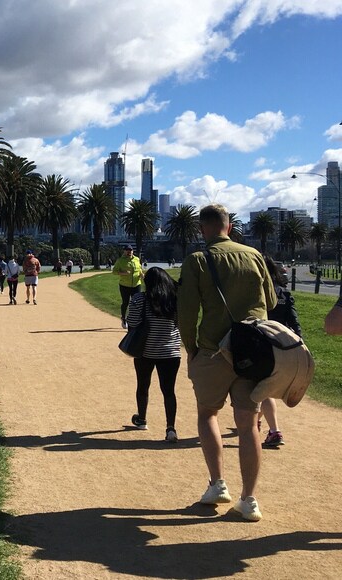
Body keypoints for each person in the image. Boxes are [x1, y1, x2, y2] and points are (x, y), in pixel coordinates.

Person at [178, 204, 277, 522]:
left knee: (208, 414)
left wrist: (191, 348)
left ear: (202, 229)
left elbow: (188, 311)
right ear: (229, 226)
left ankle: (217, 484)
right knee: (248, 426)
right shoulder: (254, 255)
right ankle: (249, 499)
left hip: (212, 350)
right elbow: (271, 301)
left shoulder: (197, 260)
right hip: (252, 351)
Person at [125, 267, 181, 442]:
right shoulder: (174, 300)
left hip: (145, 350)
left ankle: (142, 420)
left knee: (143, 386)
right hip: (171, 351)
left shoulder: (139, 299)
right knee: (169, 391)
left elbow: (132, 322)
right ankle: (170, 428)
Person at [260, 255, 302, 449]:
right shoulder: (285, 293)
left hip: (261, 346)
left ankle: (274, 430)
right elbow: (294, 323)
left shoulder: (258, 292)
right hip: (282, 347)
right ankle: (258, 419)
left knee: (264, 388)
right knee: (263, 387)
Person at [112, 245, 144, 328]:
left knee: (136, 302)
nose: (129, 252)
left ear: (133, 251)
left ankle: (136, 320)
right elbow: (114, 271)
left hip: (136, 284)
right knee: (125, 302)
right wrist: (123, 273)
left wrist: (142, 275)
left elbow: (139, 269)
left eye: (131, 250)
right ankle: (123, 318)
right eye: (127, 250)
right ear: (124, 251)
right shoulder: (120, 261)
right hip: (124, 285)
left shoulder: (137, 259)